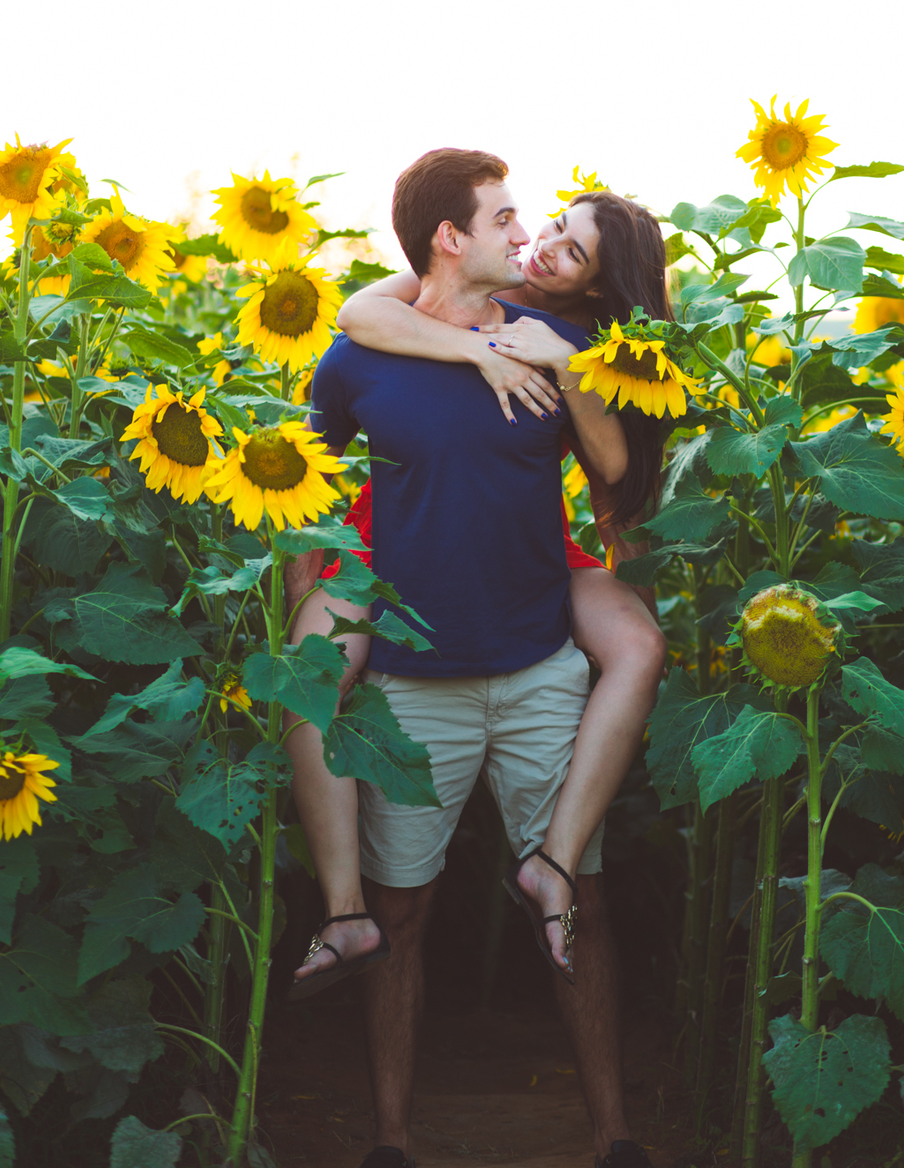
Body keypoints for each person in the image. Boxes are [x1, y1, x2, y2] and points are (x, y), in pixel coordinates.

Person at [283, 149, 661, 1168]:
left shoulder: (559, 337)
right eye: (505, 218)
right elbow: (310, 491)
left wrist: (551, 361)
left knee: (580, 899)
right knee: (401, 913)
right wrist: (306, 615)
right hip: (414, 683)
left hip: (540, 663)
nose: (524, 235)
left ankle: (614, 1137)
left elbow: (618, 474)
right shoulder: (363, 351)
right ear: (451, 237)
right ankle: (393, 1140)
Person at [321, 184, 671, 976]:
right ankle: (342, 907)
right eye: (553, 226)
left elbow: (616, 484)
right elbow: (359, 315)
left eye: (573, 251)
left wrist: (572, 368)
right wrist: (477, 347)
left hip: (527, 544)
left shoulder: (591, 347)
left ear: (598, 288)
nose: (545, 245)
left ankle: (556, 858)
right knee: (318, 678)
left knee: (640, 644)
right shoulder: (471, 283)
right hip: (407, 528)